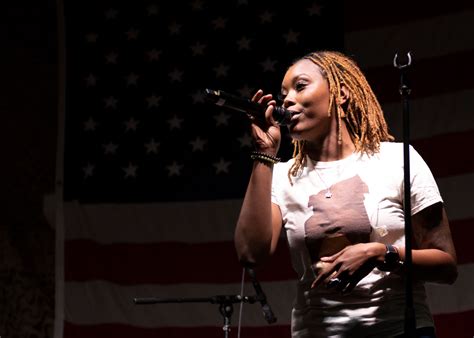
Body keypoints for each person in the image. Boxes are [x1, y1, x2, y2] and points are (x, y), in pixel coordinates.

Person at [234, 50, 458, 338]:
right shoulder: (282, 176)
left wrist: (380, 253)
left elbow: (446, 266)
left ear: (341, 94)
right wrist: (264, 154)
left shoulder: (397, 159)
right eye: (283, 93)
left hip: (399, 331)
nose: (286, 100)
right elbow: (250, 253)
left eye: (300, 86)